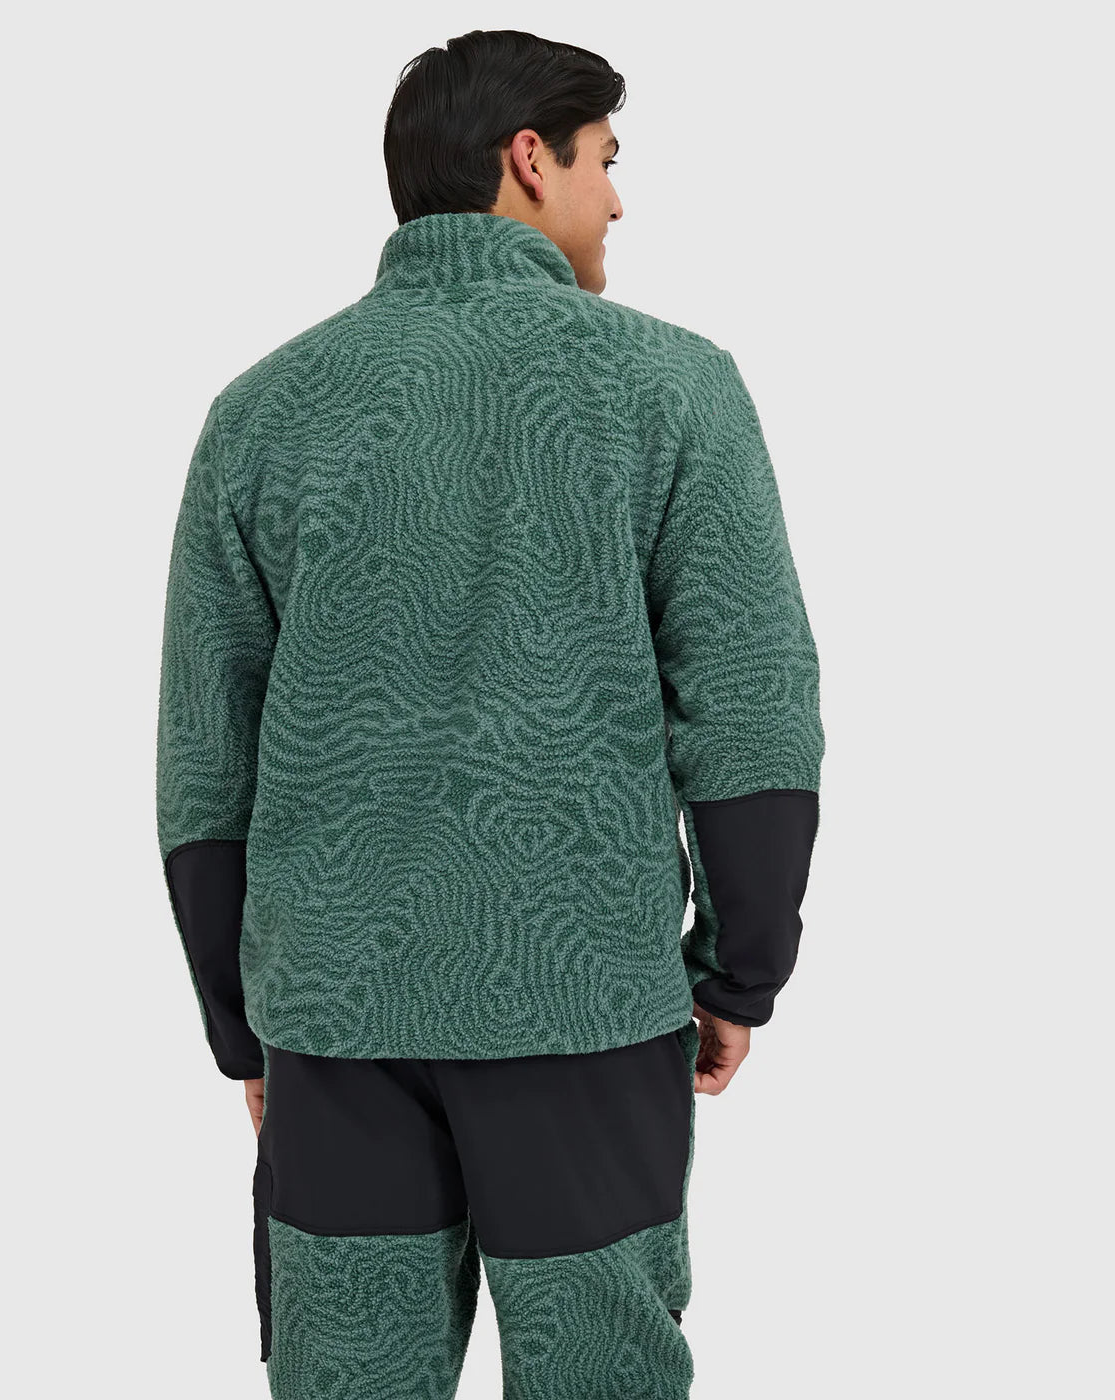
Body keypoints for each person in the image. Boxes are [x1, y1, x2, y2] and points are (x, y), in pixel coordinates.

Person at [155, 28, 824, 1400]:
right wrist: (737, 972)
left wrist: (244, 1024)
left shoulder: (261, 414)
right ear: (530, 160)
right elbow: (754, 713)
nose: (618, 199)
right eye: (605, 161)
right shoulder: (673, 388)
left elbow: (204, 759)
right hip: (584, 1013)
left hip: (335, 1021)